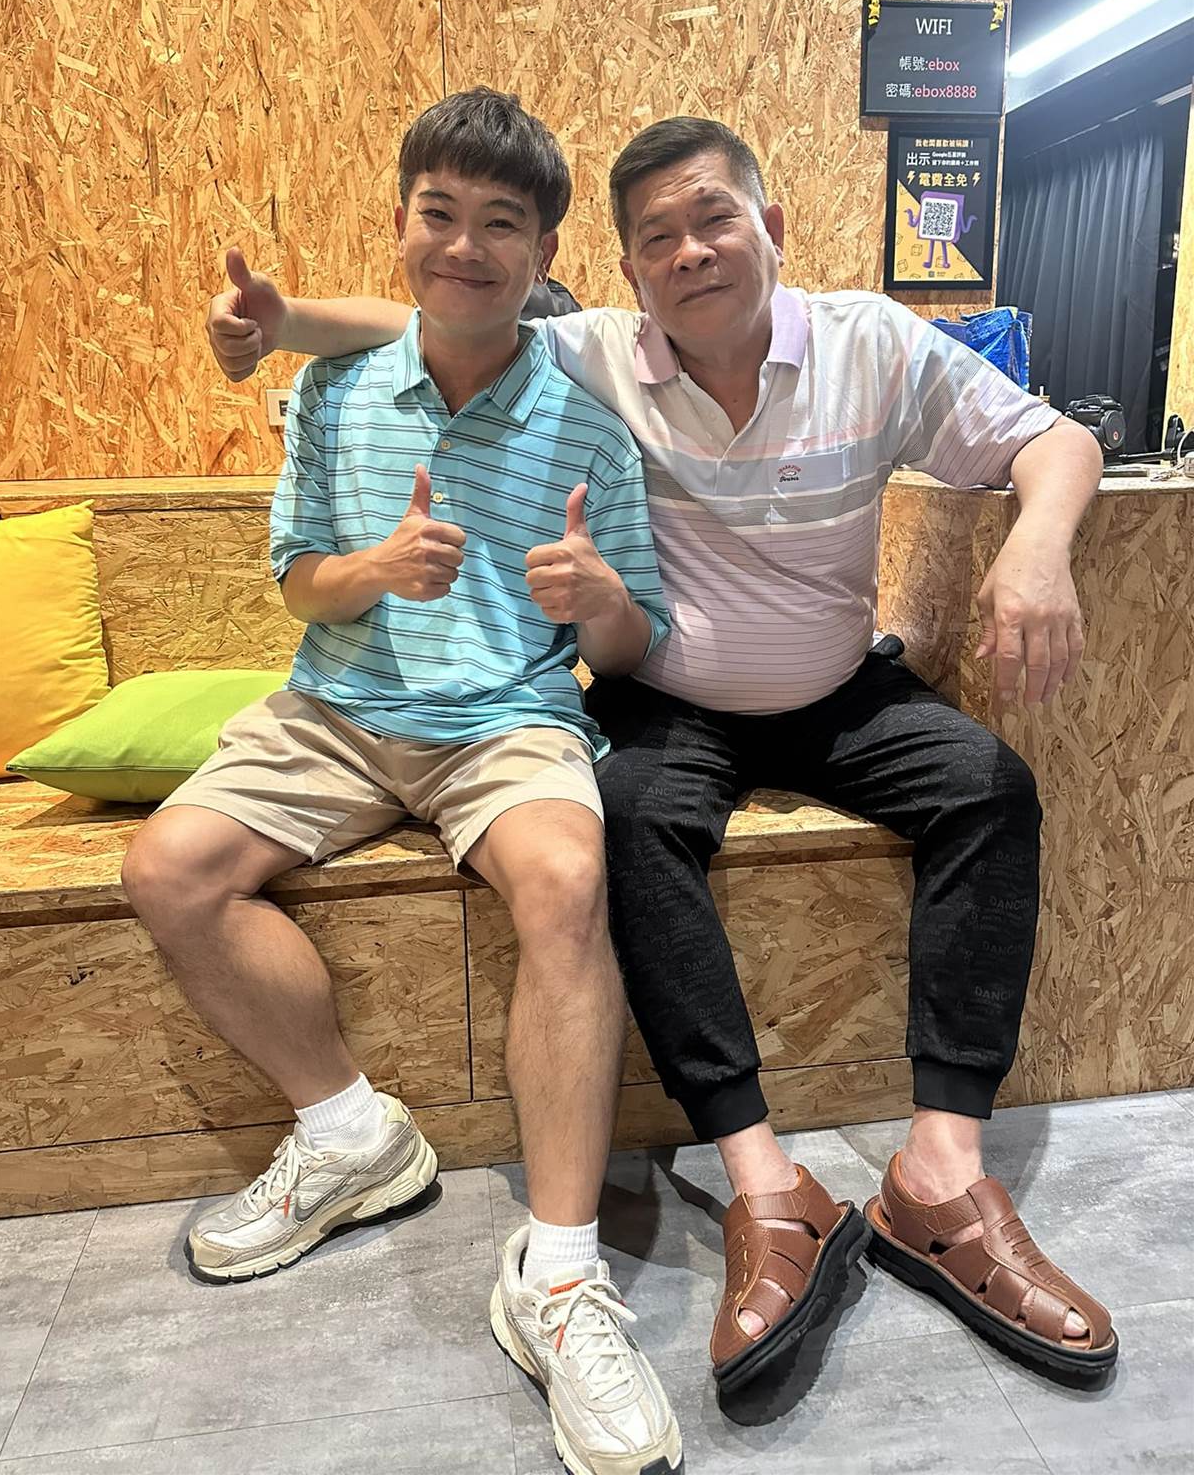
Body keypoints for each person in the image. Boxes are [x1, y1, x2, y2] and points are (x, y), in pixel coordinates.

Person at [205, 115, 1118, 1389]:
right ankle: (763, 1180)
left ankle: (939, 1169)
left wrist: (1036, 547)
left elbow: (1057, 438)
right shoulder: (596, 351)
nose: (690, 252)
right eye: (657, 239)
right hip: (671, 700)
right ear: (628, 270)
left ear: (772, 227)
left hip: (838, 689)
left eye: (714, 219)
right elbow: (439, 310)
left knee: (990, 788)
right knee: (625, 816)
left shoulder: (871, 344)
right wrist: (282, 324)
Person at [127, 87, 683, 1475]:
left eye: (502, 223)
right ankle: (348, 1132)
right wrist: (370, 570)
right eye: (442, 214)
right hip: (338, 709)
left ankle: (559, 1277)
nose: (466, 246)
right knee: (167, 868)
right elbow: (297, 581)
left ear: (544, 253)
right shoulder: (337, 390)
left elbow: (631, 648)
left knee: (568, 880)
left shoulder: (591, 423)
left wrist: (602, 599)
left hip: (507, 720)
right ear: (401, 224)